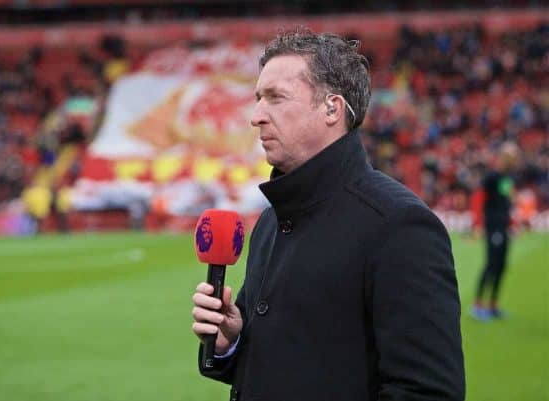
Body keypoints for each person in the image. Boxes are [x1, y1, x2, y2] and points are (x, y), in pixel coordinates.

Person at [191, 30, 465, 401]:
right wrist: (233, 342)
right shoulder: (271, 221)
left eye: (275, 98)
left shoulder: (398, 225)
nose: (256, 117)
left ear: (332, 109)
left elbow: (427, 393)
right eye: (258, 99)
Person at [470, 143, 519, 321]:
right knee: (491, 264)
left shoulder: (507, 178)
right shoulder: (491, 177)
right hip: (493, 227)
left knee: (501, 265)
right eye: (512, 157)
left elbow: (506, 202)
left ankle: (492, 305)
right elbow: (478, 198)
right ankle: (477, 306)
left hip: (504, 227)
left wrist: (513, 223)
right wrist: (477, 223)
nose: (514, 160)